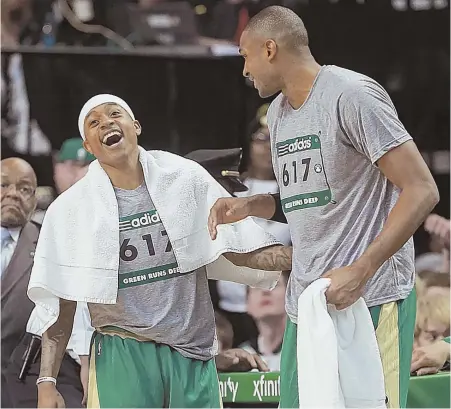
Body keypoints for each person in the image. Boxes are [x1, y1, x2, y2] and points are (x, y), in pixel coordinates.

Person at [208, 6, 439, 408]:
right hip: (309, 305)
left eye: (245, 55)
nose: (243, 69)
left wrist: (362, 270)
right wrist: (253, 205)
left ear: (269, 49)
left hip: (371, 297)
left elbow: (421, 189)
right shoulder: (279, 113)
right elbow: (313, 199)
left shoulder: (352, 95)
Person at [30, 94, 292, 409]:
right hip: (123, 352)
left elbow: (235, 248)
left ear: (135, 126)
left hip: (191, 354)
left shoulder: (184, 178)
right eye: (94, 122)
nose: (107, 123)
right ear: (89, 146)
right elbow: (63, 302)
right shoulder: (71, 211)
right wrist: (48, 381)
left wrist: (304, 257)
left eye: (115, 114)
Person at [0, 158, 85, 408]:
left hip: (29, 379)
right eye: (3, 185)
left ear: (35, 201)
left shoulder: (53, 245)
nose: (13, 194)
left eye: (24, 189)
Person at [240, 271, 288, 371]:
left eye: (274, 285)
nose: (265, 291)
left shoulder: (303, 348)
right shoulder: (241, 356)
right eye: (257, 286)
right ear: (247, 304)